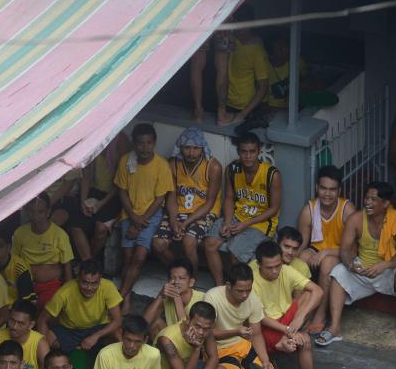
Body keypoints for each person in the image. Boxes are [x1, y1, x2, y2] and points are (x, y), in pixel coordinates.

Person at [250, 241, 339, 369]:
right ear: (259, 264)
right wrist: (287, 330)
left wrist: (297, 321)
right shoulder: (252, 282)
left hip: (287, 322)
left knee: (308, 295)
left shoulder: (285, 270)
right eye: (269, 268)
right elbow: (260, 319)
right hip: (267, 327)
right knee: (304, 340)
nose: (275, 271)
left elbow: (318, 291)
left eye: (278, 265)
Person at [317, 182, 396, 347]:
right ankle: (335, 327)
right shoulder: (356, 219)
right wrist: (351, 265)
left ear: (385, 203)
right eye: (366, 198)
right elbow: (344, 250)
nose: (368, 202)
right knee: (338, 272)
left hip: (388, 271)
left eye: (373, 199)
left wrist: (384, 265)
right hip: (362, 270)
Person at [204, 132, 281, 286]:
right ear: (238, 152)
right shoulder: (232, 169)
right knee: (209, 243)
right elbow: (229, 198)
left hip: (261, 223)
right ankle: (220, 286)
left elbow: (274, 208)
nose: (247, 156)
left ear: (259, 152)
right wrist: (226, 221)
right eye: (244, 152)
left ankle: (239, 287)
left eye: (252, 152)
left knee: (235, 251)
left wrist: (245, 225)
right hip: (237, 216)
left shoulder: (271, 174)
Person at [114, 123, 173, 310]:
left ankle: (121, 297)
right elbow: (121, 191)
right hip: (129, 213)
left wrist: (139, 222)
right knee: (128, 257)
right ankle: (127, 295)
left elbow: (159, 199)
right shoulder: (126, 161)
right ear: (134, 143)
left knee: (139, 256)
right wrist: (133, 216)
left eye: (148, 143)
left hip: (151, 215)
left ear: (154, 143)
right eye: (140, 143)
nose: (144, 147)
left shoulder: (161, 165)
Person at [51, 131, 131, 261]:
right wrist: (83, 201)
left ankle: (89, 265)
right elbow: (86, 177)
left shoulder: (120, 140)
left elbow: (121, 183)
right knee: (76, 226)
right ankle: (87, 265)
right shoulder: (93, 139)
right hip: (94, 193)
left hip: (114, 196)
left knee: (101, 229)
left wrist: (101, 204)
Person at [152, 127, 222, 274]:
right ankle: (179, 272)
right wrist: (173, 221)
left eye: (196, 148)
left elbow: (209, 203)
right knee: (158, 244)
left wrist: (184, 224)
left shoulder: (213, 166)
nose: (191, 153)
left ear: (202, 148)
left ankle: (192, 279)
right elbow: (171, 196)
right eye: (187, 148)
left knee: (188, 242)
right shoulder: (172, 164)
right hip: (178, 211)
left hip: (203, 212)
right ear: (180, 148)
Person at [297, 166, 354, 332]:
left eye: (332, 189)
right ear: (317, 188)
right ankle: (300, 311)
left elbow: (353, 250)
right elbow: (302, 245)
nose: (327, 194)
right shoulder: (309, 209)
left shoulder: (347, 209)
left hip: (340, 252)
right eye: (323, 188)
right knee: (300, 259)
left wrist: (326, 252)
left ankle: (320, 315)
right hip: (316, 250)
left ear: (339, 191)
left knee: (327, 263)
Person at [37, 259, 123, 355]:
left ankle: (117, 362)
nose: (89, 288)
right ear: (78, 278)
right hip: (69, 330)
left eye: (94, 283)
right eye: (85, 282)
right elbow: (42, 320)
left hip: (98, 327)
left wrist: (95, 336)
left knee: (118, 334)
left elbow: (117, 320)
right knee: (47, 339)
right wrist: (45, 353)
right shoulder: (65, 292)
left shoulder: (108, 287)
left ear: (100, 279)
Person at [11, 194, 74, 308]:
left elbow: (67, 265)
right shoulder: (19, 233)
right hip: (26, 285)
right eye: (31, 211)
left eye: (40, 212)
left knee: (47, 309)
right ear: (26, 211)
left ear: (48, 212)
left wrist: (68, 292)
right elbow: (14, 261)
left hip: (50, 285)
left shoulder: (60, 234)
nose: (35, 216)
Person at [218, 5, 269, 128]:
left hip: (248, 108)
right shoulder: (233, 40)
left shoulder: (257, 51)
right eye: (236, 24)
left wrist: (243, 114)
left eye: (242, 26)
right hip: (229, 103)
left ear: (250, 25)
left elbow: (263, 87)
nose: (238, 29)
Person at [142, 257, 205, 340]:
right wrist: (160, 296)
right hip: (171, 340)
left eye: (181, 278)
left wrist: (177, 299)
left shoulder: (202, 298)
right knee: (155, 322)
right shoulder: (167, 297)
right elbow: (143, 324)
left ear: (191, 282)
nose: (176, 282)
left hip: (192, 343)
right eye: (173, 278)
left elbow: (188, 332)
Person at [0, 228, 35, 306]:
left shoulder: (20, 268)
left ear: (8, 247)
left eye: (0, 246)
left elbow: (27, 301)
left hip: (12, 308)